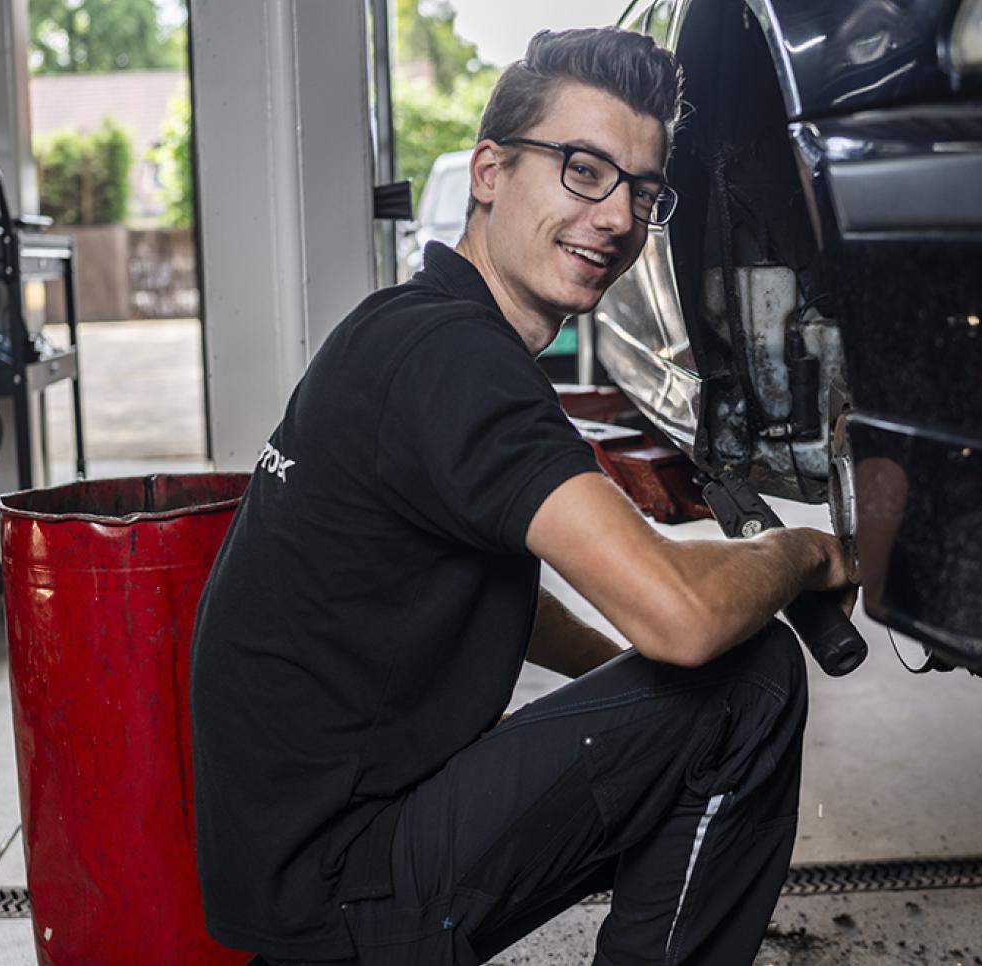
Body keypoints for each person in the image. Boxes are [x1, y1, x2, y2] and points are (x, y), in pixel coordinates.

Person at [190, 26, 856, 966]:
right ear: (490, 171)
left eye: (644, 191)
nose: (619, 217)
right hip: (349, 895)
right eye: (584, 170)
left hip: (297, 880)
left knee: (693, 690)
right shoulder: (456, 363)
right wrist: (809, 553)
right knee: (749, 676)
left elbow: (482, 587)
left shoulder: (406, 327)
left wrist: (625, 694)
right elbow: (684, 619)